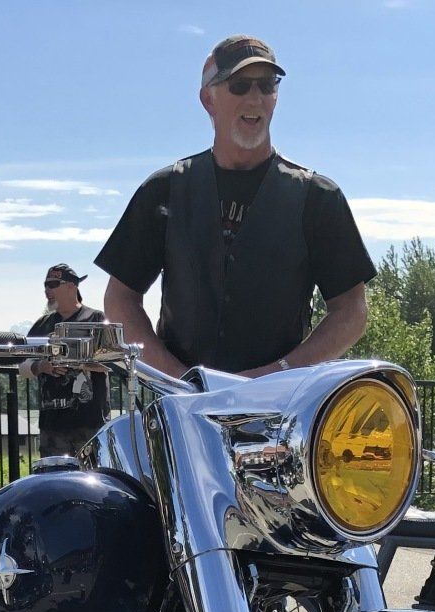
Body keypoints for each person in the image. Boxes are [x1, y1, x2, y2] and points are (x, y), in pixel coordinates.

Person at [95, 35, 373, 380]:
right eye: (239, 85)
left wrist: (278, 374)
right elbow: (121, 299)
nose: (255, 98)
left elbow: (352, 311)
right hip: (180, 408)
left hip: (279, 410)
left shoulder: (317, 197)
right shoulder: (164, 190)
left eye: (267, 85)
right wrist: (177, 378)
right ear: (208, 99)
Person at [24, 263, 108, 456]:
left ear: (72, 286)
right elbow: (21, 364)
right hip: (52, 424)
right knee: (55, 481)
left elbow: (110, 363)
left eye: (53, 284)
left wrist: (76, 360)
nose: (47, 290)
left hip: (90, 422)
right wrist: (40, 367)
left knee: (92, 480)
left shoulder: (95, 318)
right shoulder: (42, 324)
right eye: (45, 285)